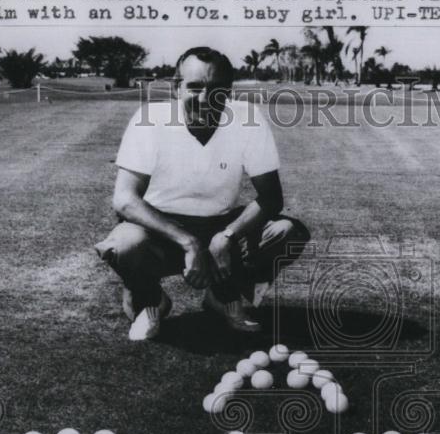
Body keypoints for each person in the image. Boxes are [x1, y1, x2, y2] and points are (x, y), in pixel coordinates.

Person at [94, 46, 309, 340]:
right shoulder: (150, 119)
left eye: (217, 89)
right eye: (194, 87)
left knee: (287, 232)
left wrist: (228, 236)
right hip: (160, 231)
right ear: (176, 88)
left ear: (229, 90)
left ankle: (223, 296)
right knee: (124, 246)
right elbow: (125, 200)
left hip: (220, 226)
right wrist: (189, 242)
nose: (206, 98)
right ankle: (150, 302)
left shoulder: (248, 119)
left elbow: (271, 198)